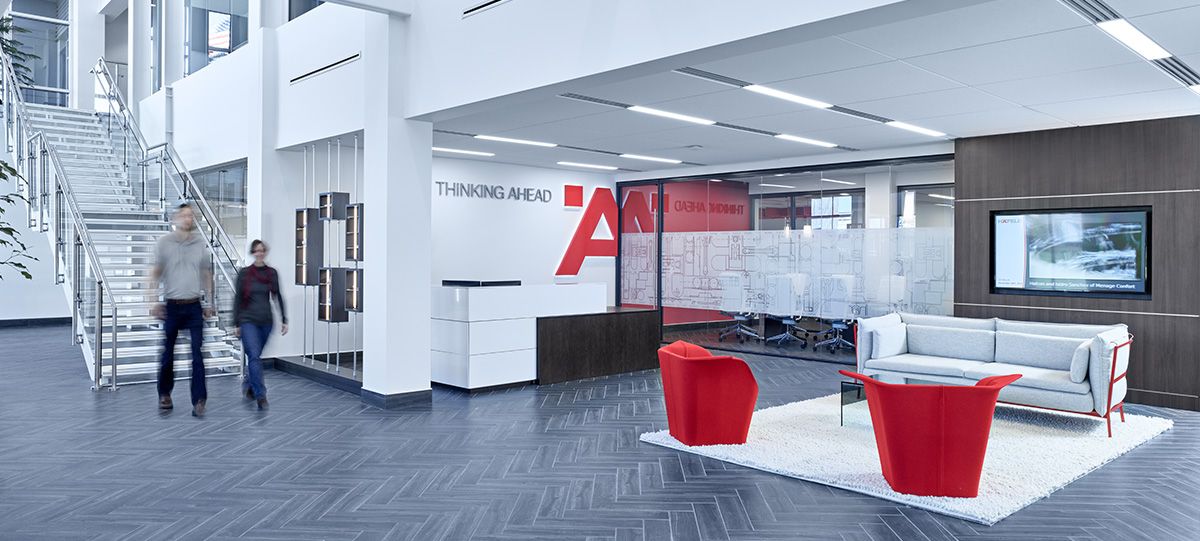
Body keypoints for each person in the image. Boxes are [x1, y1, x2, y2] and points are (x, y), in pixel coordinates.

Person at [151, 202, 214, 417]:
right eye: (184, 215)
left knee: (197, 354)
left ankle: (199, 400)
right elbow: (155, 273)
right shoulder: (164, 243)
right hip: (172, 306)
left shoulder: (200, 244)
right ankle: (165, 394)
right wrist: (152, 301)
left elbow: (207, 275)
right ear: (176, 218)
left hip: (194, 306)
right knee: (168, 354)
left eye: (191, 216)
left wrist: (210, 302)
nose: (188, 219)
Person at [232, 239, 288, 410]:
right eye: (256, 250)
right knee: (255, 356)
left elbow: (277, 296)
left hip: (266, 321)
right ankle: (261, 395)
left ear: (265, 252)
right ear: (252, 252)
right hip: (248, 320)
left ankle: (248, 385)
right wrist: (235, 323)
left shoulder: (271, 273)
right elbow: (238, 299)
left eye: (262, 250)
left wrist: (284, 319)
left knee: (254, 357)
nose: (259, 253)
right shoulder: (245, 273)